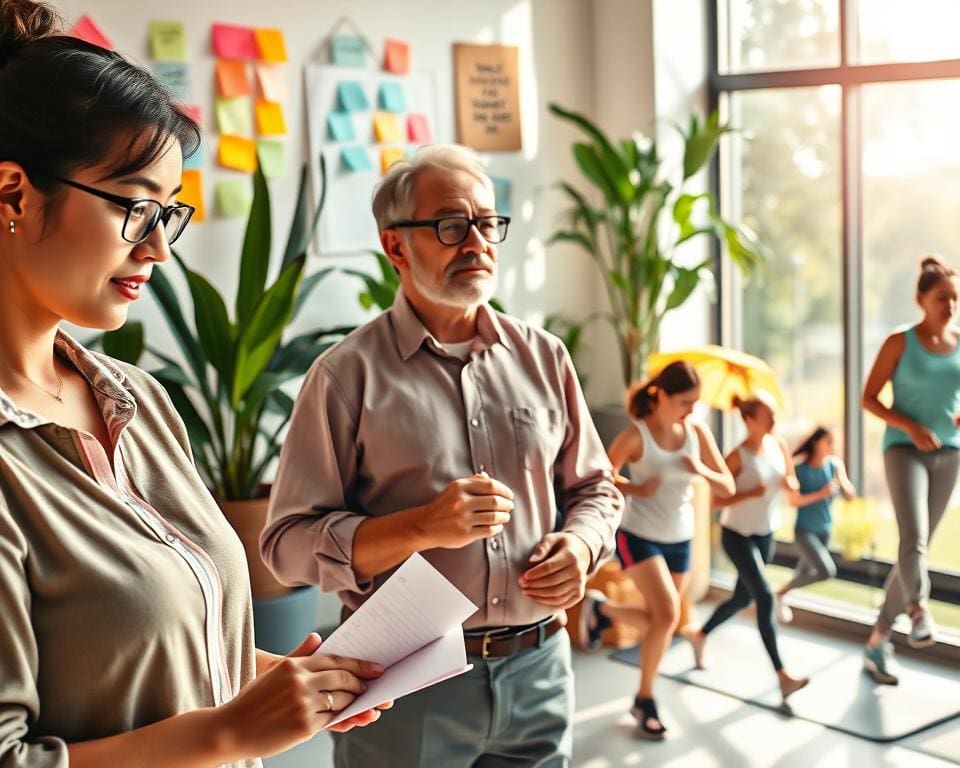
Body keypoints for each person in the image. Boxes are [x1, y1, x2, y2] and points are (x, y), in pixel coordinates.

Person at [0, 3, 386, 766]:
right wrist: (230, 733)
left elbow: (147, 656)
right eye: (136, 207)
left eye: (167, 215)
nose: (159, 249)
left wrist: (272, 680)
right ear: (13, 193)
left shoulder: (137, 402)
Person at [261, 143, 623, 767]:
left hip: (540, 666)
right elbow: (286, 546)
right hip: (406, 682)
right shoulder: (345, 377)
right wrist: (421, 526)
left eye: (487, 223)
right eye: (452, 225)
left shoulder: (546, 357)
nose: (477, 243)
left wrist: (582, 545)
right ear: (396, 246)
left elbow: (596, 488)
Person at [577, 361, 734, 739]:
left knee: (662, 620)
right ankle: (645, 698)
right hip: (639, 534)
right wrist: (637, 489)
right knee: (666, 615)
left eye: (696, 403)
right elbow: (599, 479)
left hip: (680, 538)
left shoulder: (697, 432)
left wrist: (701, 470)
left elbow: (727, 486)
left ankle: (602, 610)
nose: (692, 410)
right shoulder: (637, 436)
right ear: (661, 395)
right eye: (685, 402)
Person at [861, 255, 960, 685]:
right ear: (921, 299)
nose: (950, 305)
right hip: (903, 451)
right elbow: (868, 398)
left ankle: (877, 640)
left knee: (913, 553)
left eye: (954, 298)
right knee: (913, 539)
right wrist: (911, 426)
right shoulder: (899, 342)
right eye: (941, 298)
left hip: (950, 454)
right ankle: (918, 610)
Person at [681, 393, 809, 702]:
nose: (774, 419)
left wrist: (790, 485)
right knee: (763, 596)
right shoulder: (737, 456)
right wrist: (748, 493)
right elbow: (715, 500)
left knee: (742, 597)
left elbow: (792, 484)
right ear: (750, 420)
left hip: (765, 533)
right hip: (736, 534)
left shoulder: (779, 445)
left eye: (774, 414)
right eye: (768, 415)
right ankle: (782, 675)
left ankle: (699, 634)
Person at [773, 426, 855, 623]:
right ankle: (777, 593)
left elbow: (850, 495)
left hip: (825, 530)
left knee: (803, 573)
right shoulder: (800, 469)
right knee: (826, 571)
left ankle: (778, 600)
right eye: (828, 441)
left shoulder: (835, 466)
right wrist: (821, 494)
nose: (832, 445)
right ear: (816, 443)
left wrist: (841, 484)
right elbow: (793, 501)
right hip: (804, 530)